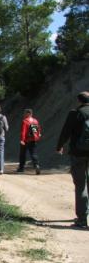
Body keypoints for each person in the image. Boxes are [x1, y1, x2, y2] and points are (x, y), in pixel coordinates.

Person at [56, 91, 89, 229]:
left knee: (81, 185)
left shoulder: (75, 113)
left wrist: (59, 146)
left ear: (79, 101)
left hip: (78, 153)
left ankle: (82, 219)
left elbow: (66, 131)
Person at [17, 109, 42, 174]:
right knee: (33, 153)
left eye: (25, 113)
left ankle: (21, 168)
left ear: (28, 114)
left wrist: (22, 140)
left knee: (22, 154)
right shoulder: (35, 121)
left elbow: (23, 131)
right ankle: (36, 165)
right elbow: (37, 130)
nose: (24, 114)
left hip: (26, 140)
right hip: (33, 140)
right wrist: (37, 137)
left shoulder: (25, 121)